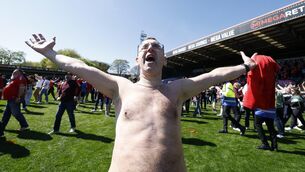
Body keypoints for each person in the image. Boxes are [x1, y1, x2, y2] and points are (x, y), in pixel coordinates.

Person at [26, 34, 256, 171]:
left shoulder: (178, 88)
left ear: (164, 59)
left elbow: (215, 75)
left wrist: (245, 67)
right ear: (137, 59)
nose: (150, 48)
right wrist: (51, 53)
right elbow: (80, 67)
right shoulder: (121, 87)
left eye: (156, 46)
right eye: (144, 47)